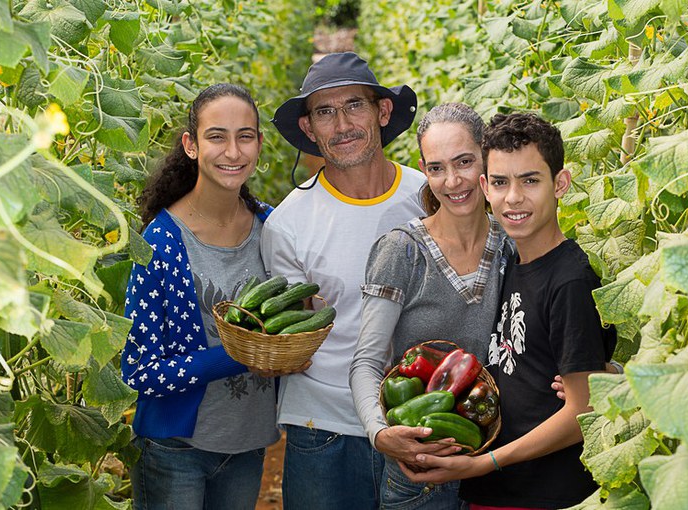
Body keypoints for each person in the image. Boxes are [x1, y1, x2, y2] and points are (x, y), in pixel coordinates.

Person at [399, 112, 617, 510]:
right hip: (500, 489)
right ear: (485, 187)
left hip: (545, 492)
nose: (513, 197)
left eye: (530, 180)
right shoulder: (512, 262)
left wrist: (485, 463)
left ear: (560, 184)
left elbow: (581, 410)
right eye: (500, 182)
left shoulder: (569, 280)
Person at [261, 52, 425, 509]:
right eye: (325, 113)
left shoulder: (429, 197)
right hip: (323, 424)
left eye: (354, 105)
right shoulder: (288, 224)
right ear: (309, 129)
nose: (342, 124)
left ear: (382, 112)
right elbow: (298, 332)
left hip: (418, 414)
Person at [120, 83, 280, 510]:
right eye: (217, 136)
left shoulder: (273, 228)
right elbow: (139, 369)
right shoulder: (160, 243)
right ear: (191, 145)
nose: (233, 151)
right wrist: (242, 353)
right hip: (175, 450)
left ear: (259, 145)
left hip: (247, 443)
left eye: (245, 136)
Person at [349, 102, 515, 509]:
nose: (453, 180)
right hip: (421, 475)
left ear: (486, 157)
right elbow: (367, 361)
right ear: (424, 168)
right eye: (437, 167)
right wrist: (380, 432)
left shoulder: (514, 243)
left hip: (500, 466)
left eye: (464, 162)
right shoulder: (402, 251)